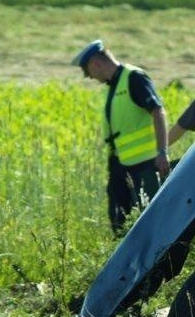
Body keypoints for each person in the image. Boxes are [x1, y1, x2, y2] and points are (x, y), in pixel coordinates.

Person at [72, 39, 170, 235]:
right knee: (119, 220)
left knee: (149, 220)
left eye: (87, 72)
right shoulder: (115, 84)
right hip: (120, 164)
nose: (89, 78)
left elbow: (158, 111)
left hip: (144, 165)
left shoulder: (134, 78)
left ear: (95, 64)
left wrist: (162, 152)